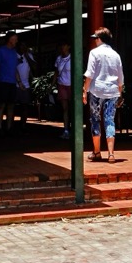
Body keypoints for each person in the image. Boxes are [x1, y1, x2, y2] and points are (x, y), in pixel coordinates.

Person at [82, 27, 124, 164]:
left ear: (100, 39)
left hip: (96, 90)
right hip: (112, 91)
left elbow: (89, 74)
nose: (94, 40)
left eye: (95, 38)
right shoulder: (116, 55)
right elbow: (120, 77)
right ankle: (111, 154)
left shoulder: (94, 53)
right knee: (109, 120)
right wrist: (120, 93)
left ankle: (97, 152)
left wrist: (84, 91)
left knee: (95, 119)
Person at [0, 31, 19, 134]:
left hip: (12, 82)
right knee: (1, 105)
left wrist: (19, 82)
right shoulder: (1, 50)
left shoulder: (14, 52)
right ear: (10, 39)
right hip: (2, 81)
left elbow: (15, 68)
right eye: (15, 39)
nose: (16, 41)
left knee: (11, 105)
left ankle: (9, 127)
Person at [54, 42, 72, 139]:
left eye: (64, 45)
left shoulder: (73, 58)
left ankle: (73, 129)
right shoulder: (59, 59)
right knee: (65, 108)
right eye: (61, 45)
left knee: (72, 108)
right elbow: (56, 72)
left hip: (71, 85)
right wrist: (52, 85)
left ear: (68, 46)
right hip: (62, 85)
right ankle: (66, 130)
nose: (63, 47)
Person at [14, 42, 33, 131]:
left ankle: (23, 125)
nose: (22, 48)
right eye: (21, 46)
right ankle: (11, 125)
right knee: (12, 105)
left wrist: (27, 55)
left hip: (26, 85)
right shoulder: (14, 55)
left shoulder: (28, 55)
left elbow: (33, 65)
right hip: (15, 84)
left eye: (24, 46)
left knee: (25, 106)